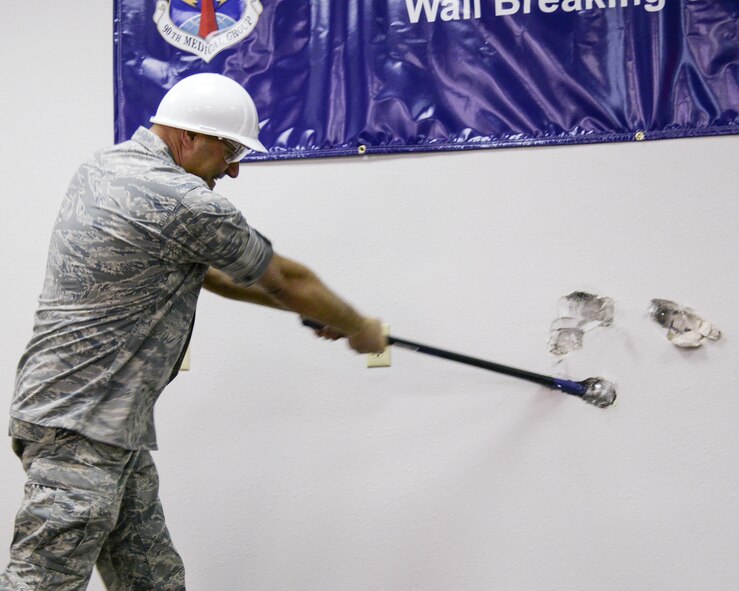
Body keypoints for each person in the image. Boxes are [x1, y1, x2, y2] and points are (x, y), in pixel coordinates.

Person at [0, 73, 385, 591]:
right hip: (80, 428)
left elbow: (211, 273)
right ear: (189, 137)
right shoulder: (186, 201)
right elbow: (288, 279)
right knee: (41, 582)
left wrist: (308, 312)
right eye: (228, 151)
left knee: (152, 579)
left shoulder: (105, 168)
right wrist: (359, 328)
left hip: (106, 426)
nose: (233, 169)